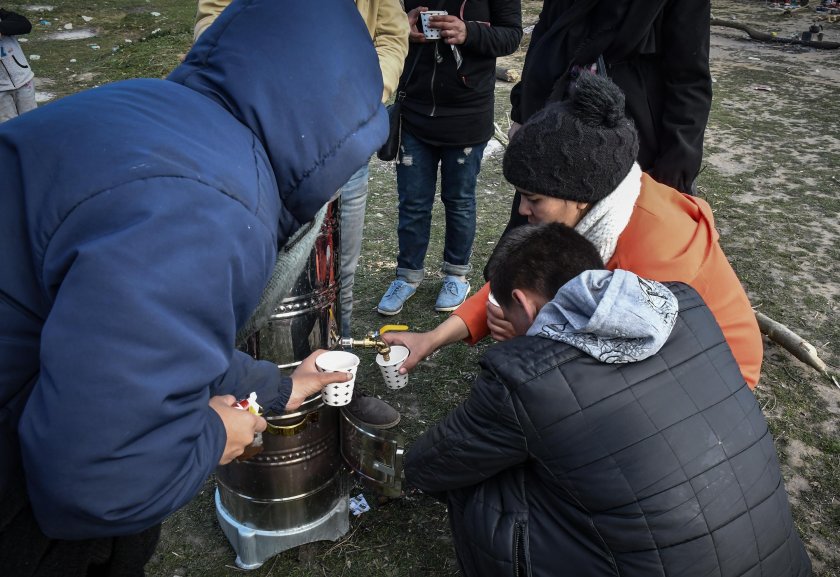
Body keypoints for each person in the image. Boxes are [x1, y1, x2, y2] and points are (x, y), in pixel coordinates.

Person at [0, 0, 386, 574]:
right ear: (334, 135)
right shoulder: (211, 211)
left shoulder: (152, 111)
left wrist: (276, 384)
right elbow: (95, 485)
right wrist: (213, 435)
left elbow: (130, 342)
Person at [405, 222, 812, 577]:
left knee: (479, 480)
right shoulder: (687, 305)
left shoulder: (525, 377)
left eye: (506, 312)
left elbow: (432, 466)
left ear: (525, 304)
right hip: (782, 563)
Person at [384, 73, 763, 389]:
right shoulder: (603, 201)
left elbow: (619, 367)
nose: (523, 209)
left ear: (579, 197)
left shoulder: (652, 256)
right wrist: (432, 340)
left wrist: (534, 336)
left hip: (711, 378)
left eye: (533, 198)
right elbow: (527, 273)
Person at [195, 0, 410, 340]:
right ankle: (248, 375)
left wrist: (365, 96)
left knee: (339, 268)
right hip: (261, 135)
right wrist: (254, 88)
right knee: (254, 264)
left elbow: (392, 35)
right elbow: (215, 23)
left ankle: (340, 364)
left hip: (343, 138)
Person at [375, 1, 522, 316]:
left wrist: (469, 32)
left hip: (468, 111)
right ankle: (407, 275)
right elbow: (383, 26)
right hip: (414, 108)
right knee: (413, 202)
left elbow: (511, 35)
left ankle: (456, 275)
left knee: (459, 201)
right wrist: (405, 27)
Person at [509, 0, 712, 197]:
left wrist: (672, 175)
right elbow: (544, 38)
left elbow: (689, 80)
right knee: (539, 219)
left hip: (631, 143)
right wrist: (521, 113)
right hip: (552, 124)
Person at [0, 6, 37, 122]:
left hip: (23, 79)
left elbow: (25, 25)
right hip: (1, 90)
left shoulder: (3, 15)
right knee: (9, 126)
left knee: (31, 121)